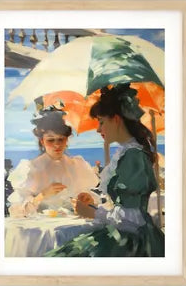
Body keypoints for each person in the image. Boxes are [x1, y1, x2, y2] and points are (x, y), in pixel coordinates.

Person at [48, 83, 164, 258]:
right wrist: (93, 206)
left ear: (116, 119)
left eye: (101, 122)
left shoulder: (133, 156)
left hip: (132, 242)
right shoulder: (126, 152)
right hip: (125, 233)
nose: (98, 129)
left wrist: (92, 212)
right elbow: (122, 207)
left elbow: (132, 219)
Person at [7, 107, 100, 217]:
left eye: (61, 139)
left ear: (67, 139)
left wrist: (86, 202)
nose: (57, 145)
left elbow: (92, 204)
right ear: (42, 141)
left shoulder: (77, 166)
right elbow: (16, 212)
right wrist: (42, 195)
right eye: (51, 140)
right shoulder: (29, 169)